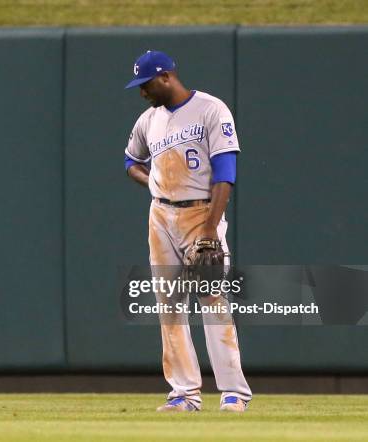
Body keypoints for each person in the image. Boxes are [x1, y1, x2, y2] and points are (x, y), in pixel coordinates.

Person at [124, 50, 252, 412]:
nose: (142, 92)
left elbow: (226, 174)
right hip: (160, 217)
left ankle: (233, 393)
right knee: (169, 305)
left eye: (146, 84)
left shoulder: (211, 110)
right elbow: (130, 161)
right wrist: (153, 184)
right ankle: (184, 394)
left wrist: (211, 229)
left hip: (201, 212)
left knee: (212, 301)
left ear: (166, 77)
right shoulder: (148, 121)